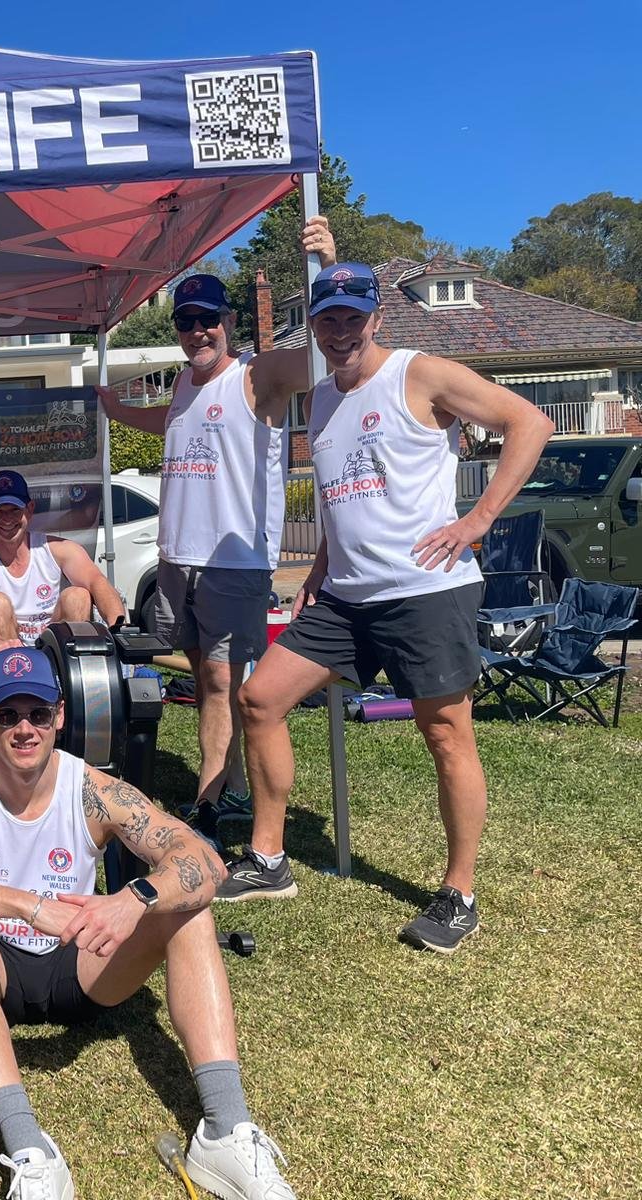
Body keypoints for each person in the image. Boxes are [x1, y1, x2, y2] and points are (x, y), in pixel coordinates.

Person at [224, 263, 553, 955]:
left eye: (354, 317)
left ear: (377, 319)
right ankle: (269, 859)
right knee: (258, 699)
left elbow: (530, 421)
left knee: (446, 735)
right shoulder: (320, 399)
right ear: (314, 327)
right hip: (346, 597)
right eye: (328, 319)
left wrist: (478, 520)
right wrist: (319, 570)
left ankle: (459, 895)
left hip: (425, 590)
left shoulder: (420, 373)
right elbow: (346, 495)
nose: (341, 331)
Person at [0, 648, 296, 1200]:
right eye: (8, 715)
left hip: (82, 962)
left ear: (59, 715)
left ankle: (225, 1131)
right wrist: (31, 906)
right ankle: (30, 1150)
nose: (24, 729)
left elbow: (202, 860)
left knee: (188, 908)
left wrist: (135, 898)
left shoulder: (93, 790)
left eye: (37, 713)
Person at [95, 219, 336, 832]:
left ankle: (212, 799)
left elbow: (321, 357)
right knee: (207, 679)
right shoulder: (184, 382)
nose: (197, 331)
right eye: (186, 321)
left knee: (225, 680)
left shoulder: (257, 376)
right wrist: (118, 411)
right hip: (179, 557)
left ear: (228, 321)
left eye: (208, 319)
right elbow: (173, 422)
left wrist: (325, 269)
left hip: (233, 559)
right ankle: (227, 787)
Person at [0, 469, 128, 685]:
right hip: (3, 649)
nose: (7, 519)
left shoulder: (60, 549)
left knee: (78, 595)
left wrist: (118, 628)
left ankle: (68, 683)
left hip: (51, 644)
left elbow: (96, 581)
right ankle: (11, 686)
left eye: (15, 510)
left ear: (30, 509)